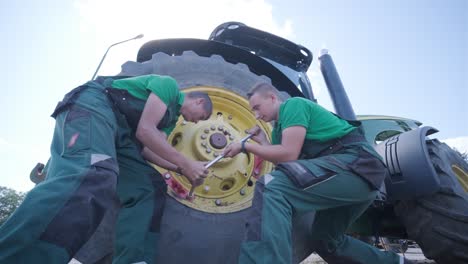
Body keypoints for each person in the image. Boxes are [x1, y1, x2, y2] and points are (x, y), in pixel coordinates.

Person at [0, 74, 212, 264]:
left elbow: (148, 150)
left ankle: (134, 260)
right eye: (201, 116)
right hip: (96, 105)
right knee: (92, 174)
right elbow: (145, 131)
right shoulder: (169, 86)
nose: (196, 121)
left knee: (149, 188)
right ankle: (16, 256)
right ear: (199, 101)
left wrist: (182, 169)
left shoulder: (170, 120)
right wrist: (187, 163)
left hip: (122, 135)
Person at [223, 82, 414, 264]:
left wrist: (244, 146)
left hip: (358, 166)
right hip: (348, 178)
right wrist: (263, 141)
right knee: (326, 241)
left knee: (272, 185)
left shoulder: (292, 105)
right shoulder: (278, 132)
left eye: (257, 107)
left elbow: (288, 155)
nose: (256, 115)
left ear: (272, 97)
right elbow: (287, 162)